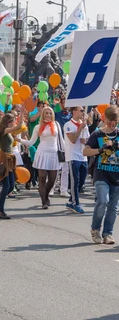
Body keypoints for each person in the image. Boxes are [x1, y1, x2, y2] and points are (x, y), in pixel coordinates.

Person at [84, 105, 119, 245]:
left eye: (115, 120)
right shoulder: (97, 134)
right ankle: (95, 229)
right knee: (103, 201)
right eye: (110, 120)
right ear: (105, 118)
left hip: (116, 174)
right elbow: (85, 151)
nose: (112, 123)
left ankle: (108, 233)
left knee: (113, 206)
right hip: (101, 173)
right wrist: (100, 149)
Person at [20, 106, 64, 209]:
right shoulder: (38, 126)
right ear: (43, 114)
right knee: (42, 178)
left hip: (54, 154)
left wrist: (68, 152)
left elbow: (61, 141)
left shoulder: (56, 125)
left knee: (52, 180)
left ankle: (46, 195)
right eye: (46, 113)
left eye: (50, 113)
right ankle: (44, 201)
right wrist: (20, 140)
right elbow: (31, 142)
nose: (48, 115)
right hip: (42, 153)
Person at [0, 111, 24, 220]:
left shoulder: (7, 132)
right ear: (8, 122)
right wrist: (22, 111)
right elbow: (19, 126)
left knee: (11, 186)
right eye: (13, 121)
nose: (14, 123)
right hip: (4, 159)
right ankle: (1, 211)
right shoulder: (4, 130)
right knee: (6, 186)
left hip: (9, 159)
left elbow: (19, 127)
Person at [64, 106, 89, 214]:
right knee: (75, 180)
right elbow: (73, 140)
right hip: (73, 156)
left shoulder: (85, 125)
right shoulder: (68, 125)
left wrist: (86, 140)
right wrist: (80, 128)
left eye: (84, 110)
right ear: (74, 111)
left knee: (82, 180)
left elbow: (87, 139)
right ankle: (76, 203)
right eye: (81, 110)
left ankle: (70, 201)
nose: (83, 112)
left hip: (83, 156)